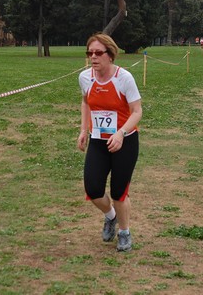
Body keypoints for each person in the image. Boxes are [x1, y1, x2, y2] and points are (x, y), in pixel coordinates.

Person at [77, 33, 142, 252]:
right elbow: (86, 102)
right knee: (93, 188)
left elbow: (137, 111)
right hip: (98, 140)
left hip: (125, 141)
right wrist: (83, 130)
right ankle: (110, 217)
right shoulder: (85, 78)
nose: (93, 57)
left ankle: (124, 232)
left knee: (118, 192)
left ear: (110, 54)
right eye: (90, 53)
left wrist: (121, 133)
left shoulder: (124, 79)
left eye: (98, 53)